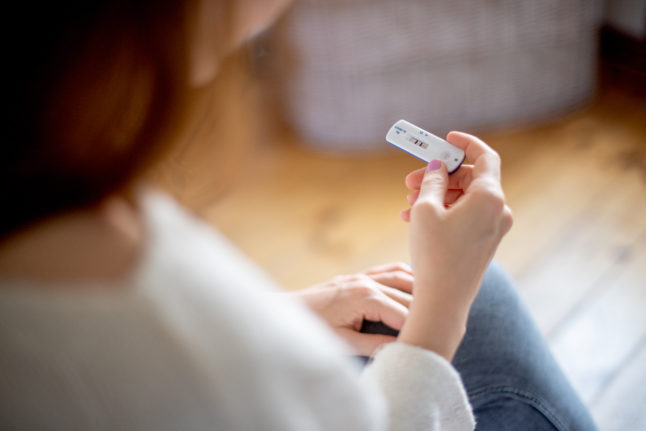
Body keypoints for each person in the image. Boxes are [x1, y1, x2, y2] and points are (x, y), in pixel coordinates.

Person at [0, 1, 597, 430]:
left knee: (469, 301)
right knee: (475, 302)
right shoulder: (182, 353)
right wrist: (440, 319)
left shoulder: (54, 169)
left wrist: (289, 311)